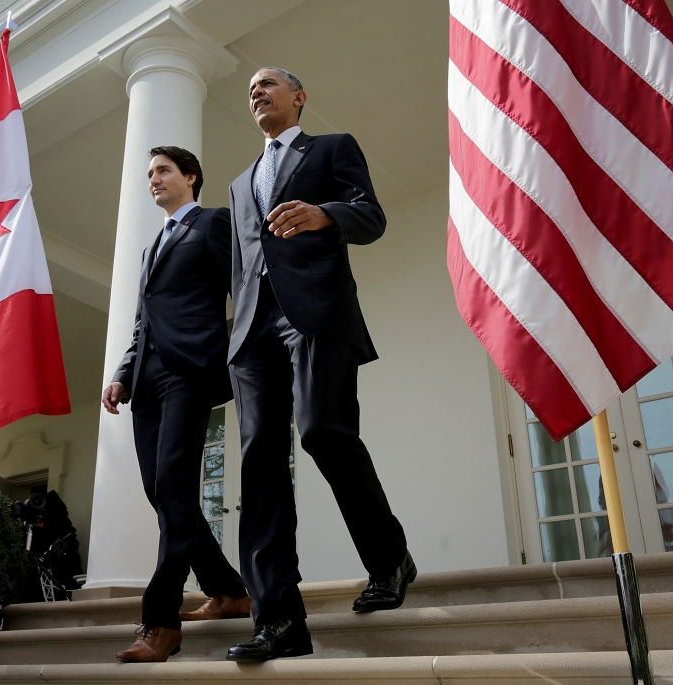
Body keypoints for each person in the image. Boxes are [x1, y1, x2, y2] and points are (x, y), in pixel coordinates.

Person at [224, 68, 415, 662]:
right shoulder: (239, 184)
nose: (257, 93)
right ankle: (278, 619)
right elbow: (239, 261)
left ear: (299, 97)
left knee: (323, 432)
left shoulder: (332, 148)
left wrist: (325, 213)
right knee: (258, 465)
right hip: (253, 329)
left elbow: (371, 215)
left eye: (269, 84)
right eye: (250, 89)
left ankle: (389, 560)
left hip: (317, 313)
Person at [102, 146, 249, 663]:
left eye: (163, 170)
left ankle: (160, 621)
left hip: (191, 371)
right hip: (148, 380)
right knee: (160, 489)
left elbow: (245, 283)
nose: (154, 180)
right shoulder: (150, 249)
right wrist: (122, 373)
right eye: (149, 174)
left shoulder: (213, 224)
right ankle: (229, 591)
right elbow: (143, 322)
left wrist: (234, 351)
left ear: (191, 177)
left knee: (173, 484)